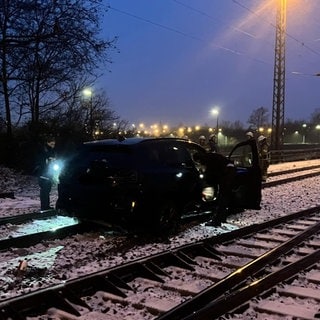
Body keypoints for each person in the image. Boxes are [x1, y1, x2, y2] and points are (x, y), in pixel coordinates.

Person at [193, 152, 236, 226]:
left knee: (222, 197)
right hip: (229, 171)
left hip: (227, 174)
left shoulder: (208, 160)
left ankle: (217, 221)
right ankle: (222, 217)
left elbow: (211, 174)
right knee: (224, 196)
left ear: (199, 158)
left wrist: (205, 180)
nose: (198, 163)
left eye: (198, 161)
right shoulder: (209, 156)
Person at [35, 136, 57, 211]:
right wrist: (47, 160)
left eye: (54, 144)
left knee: (47, 190)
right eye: (51, 144)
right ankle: (44, 207)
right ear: (47, 143)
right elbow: (40, 161)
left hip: (48, 172)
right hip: (43, 173)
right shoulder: (43, 150)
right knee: (44, 190)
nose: (53, 146)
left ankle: (46, 206)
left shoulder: (51, 151)